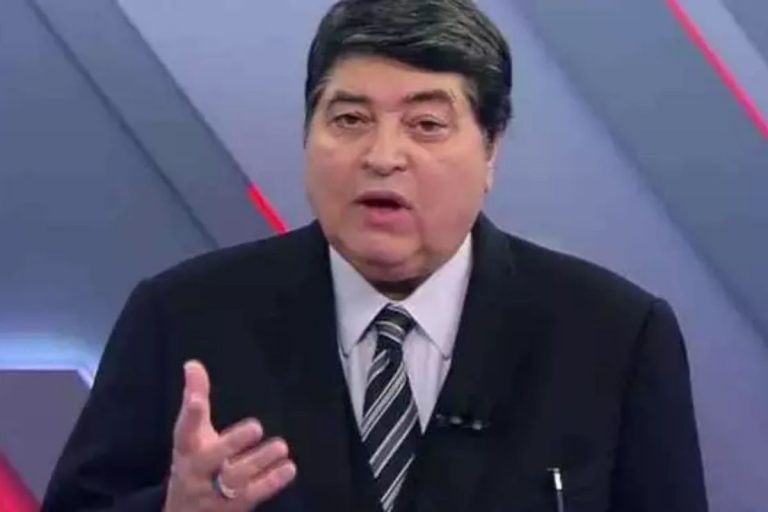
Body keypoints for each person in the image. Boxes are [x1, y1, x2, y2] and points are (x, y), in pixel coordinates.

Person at [41, 0, 708, 511]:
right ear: (308, 133)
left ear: (491, 149)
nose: (383, 156)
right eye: (350, 119)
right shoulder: (182, 317)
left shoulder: (615, 337)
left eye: (426, 124)